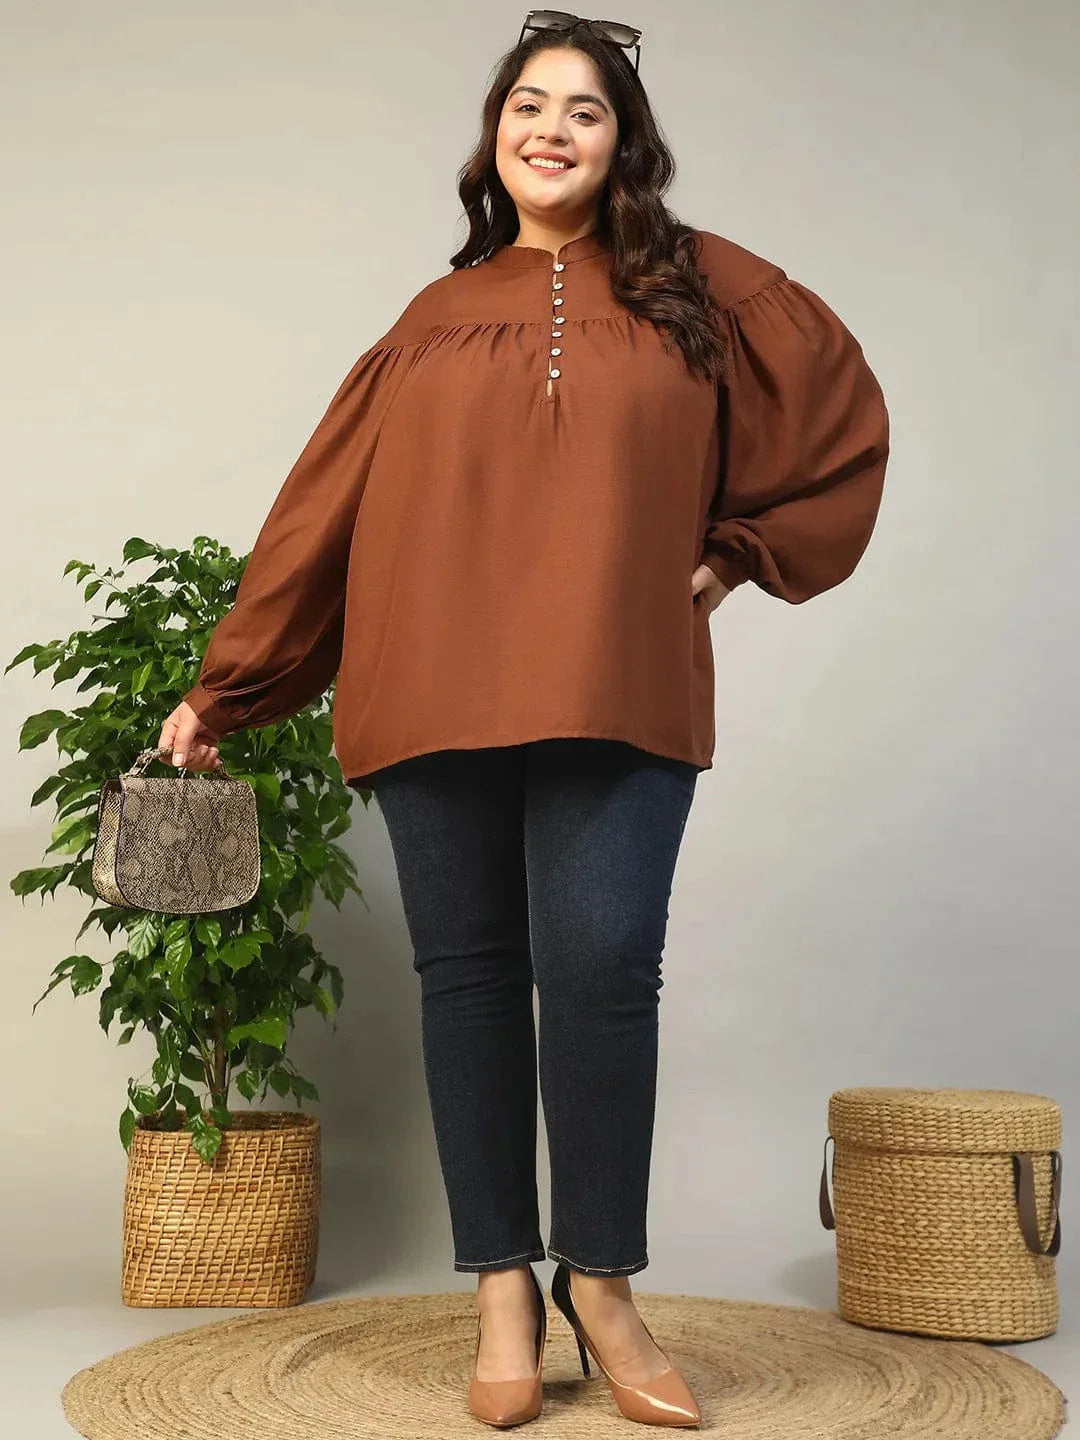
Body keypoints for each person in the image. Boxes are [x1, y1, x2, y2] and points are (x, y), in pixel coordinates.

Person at [157, 12, 889, 1429]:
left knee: (604, 970)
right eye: (528, 106)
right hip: (432, 680)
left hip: (623, 680)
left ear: (626, 144)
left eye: (585, 110)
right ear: (495, 133)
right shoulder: (432, 321)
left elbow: (837, 420)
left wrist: (730, 556)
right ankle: (502, 1283)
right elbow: (325, 510)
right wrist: (230, 680)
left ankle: (601, 1284)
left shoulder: (699, 290)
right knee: (474, 980)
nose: (551, 129)